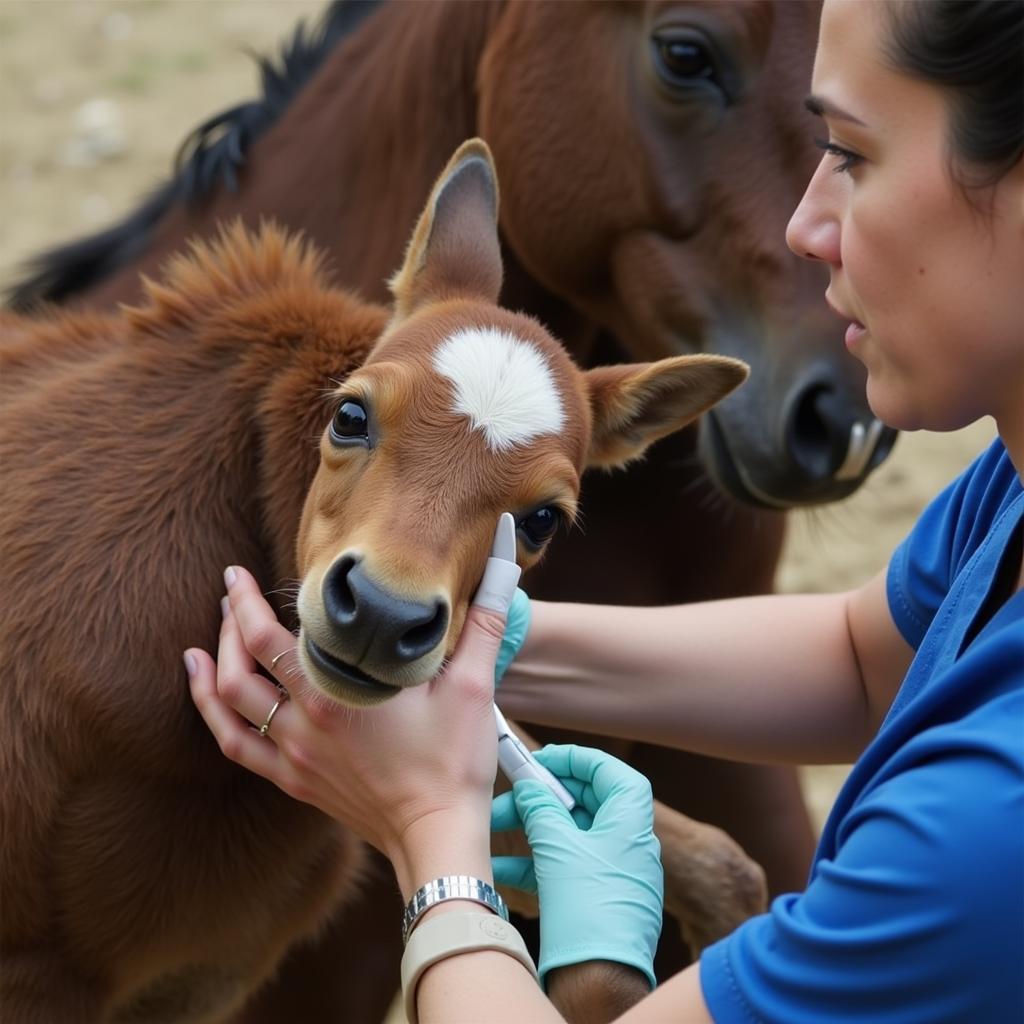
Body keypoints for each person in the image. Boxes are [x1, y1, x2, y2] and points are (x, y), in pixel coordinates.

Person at [185, 1, 1023, 1020]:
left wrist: (430, 832)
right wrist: (468, 639)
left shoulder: (983, 836)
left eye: (849, 152)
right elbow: (860, 656)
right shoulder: (1008, 490)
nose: (803, 227)